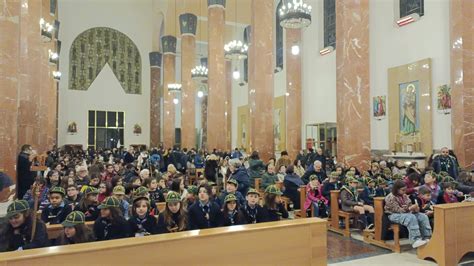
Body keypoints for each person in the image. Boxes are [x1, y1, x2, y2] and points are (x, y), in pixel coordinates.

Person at [384, 180, 432, 248]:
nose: (404, 192)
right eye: (403, 190)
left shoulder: (404, 196)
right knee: (411, 217)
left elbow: (409, 205)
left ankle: (427, 237)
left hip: (406, 213)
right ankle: (415, 240)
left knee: (423, 216)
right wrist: (410, 209)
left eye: (405, 190)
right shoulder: (390, 197)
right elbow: (398, 210)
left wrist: (416, 209)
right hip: (393, 215)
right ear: (396, 189)